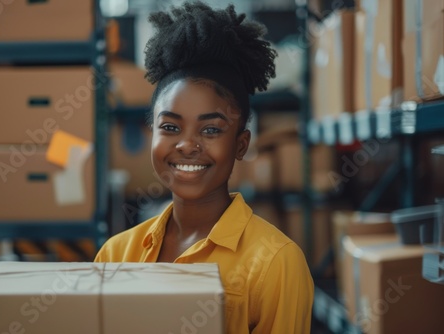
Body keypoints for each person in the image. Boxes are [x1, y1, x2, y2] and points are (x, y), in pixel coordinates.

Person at [95, 2, 314, 333]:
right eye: (170, 127)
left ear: (241, 144)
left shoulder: (275, 263)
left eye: (211, 129)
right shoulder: (116, 253)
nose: (186, 144)